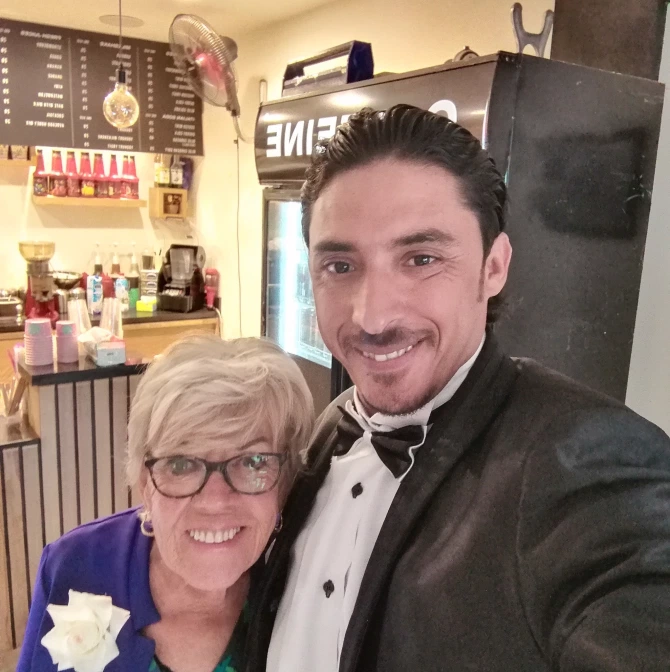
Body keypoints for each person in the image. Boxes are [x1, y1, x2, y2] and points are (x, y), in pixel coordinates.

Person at [246, 105, 670, 672]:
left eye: (421, 259)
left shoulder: (586, 459)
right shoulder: (332, 425)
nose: (372, 317)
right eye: (341, 266)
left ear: (493, 267)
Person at [18, 335, 313, 672]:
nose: (215, 501)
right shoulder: (75, 565)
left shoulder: (307, 593)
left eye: (252, 461)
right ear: (145, 483)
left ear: (284, 482)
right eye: (181, 464)